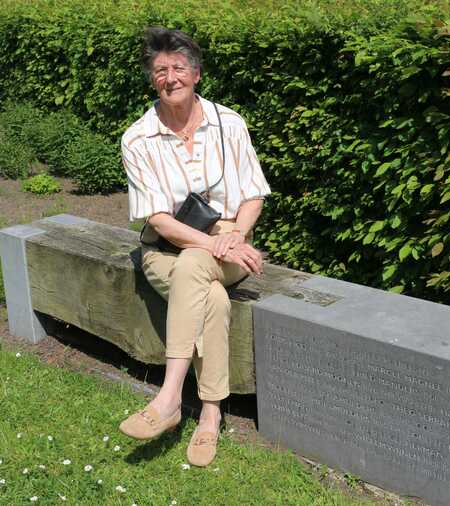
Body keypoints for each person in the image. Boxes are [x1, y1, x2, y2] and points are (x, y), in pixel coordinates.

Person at [118, 27, 270, 467]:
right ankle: (209, 414)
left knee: (195, 267)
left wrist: (234, 237)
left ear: (197, 74)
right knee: (211, 296)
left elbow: (253, 195)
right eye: (160, 70)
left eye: (178, 68)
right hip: (165, 248)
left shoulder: (230, 123)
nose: (170, 77)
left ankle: (167, 399)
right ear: (152, 80)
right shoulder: (137, 138)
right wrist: (214, 244)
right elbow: (158, 218)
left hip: (230, 241)